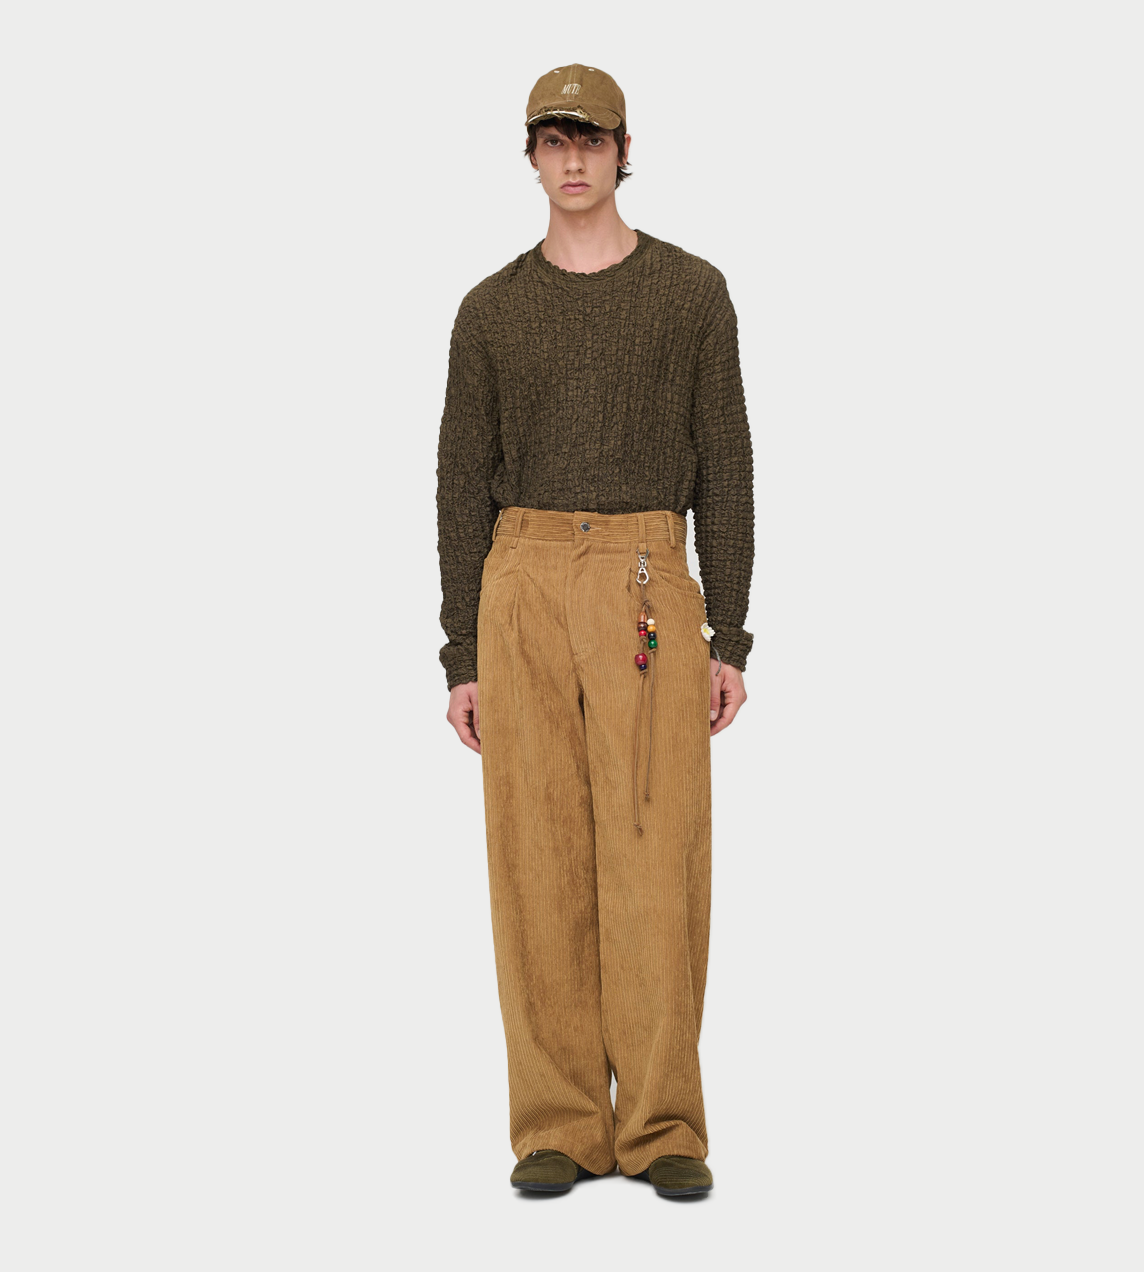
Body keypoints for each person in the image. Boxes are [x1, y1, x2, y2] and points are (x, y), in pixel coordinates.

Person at [435, 62, 754, 1199]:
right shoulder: (490, 311)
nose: (573, 160)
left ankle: (663, 1125)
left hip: (646, 580)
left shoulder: (691, 294)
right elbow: (458, 484)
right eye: (553, 140)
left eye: (592, 139)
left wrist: (731, 633)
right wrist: (463, 652)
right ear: (529, 157)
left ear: (625, 151)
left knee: (655, 850)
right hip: (519, 577)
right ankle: (559, 1123)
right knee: (536, 853)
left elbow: (727, 466)